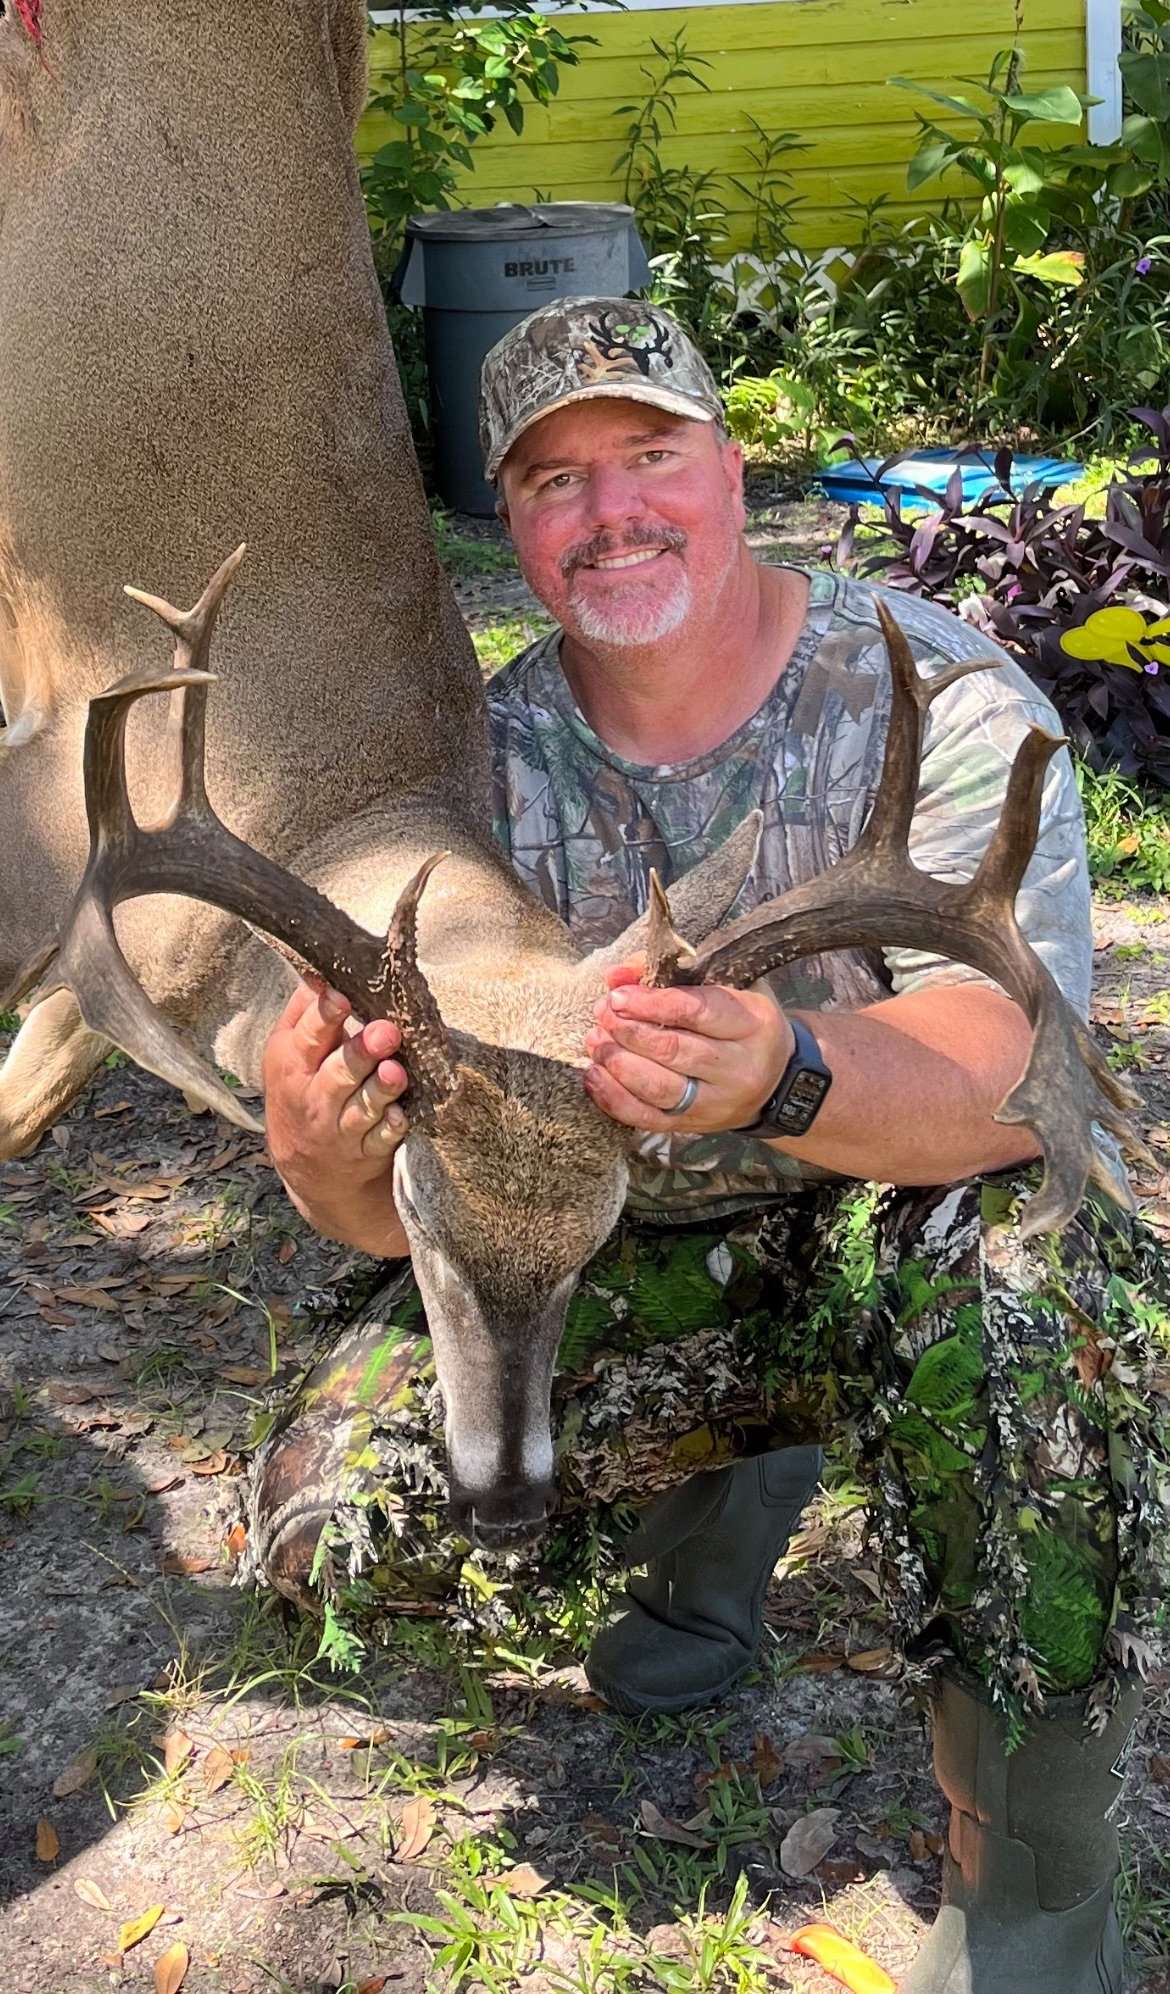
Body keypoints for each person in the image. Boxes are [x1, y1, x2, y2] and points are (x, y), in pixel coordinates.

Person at [257, 300, 1169, 1993]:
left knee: (1054, 1331)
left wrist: (791, 1072)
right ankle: (708, 1552)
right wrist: (319, 1144)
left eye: (647, 456)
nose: (608, 510)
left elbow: (1012, 1078)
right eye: (550, 481)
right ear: (511, 529)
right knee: (328, 1516)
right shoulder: (468, 764)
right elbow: (409, 1216)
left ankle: (1034, 1888)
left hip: (903, 1212)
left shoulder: (938, 698)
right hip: (627, 1237)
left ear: (729, 467)